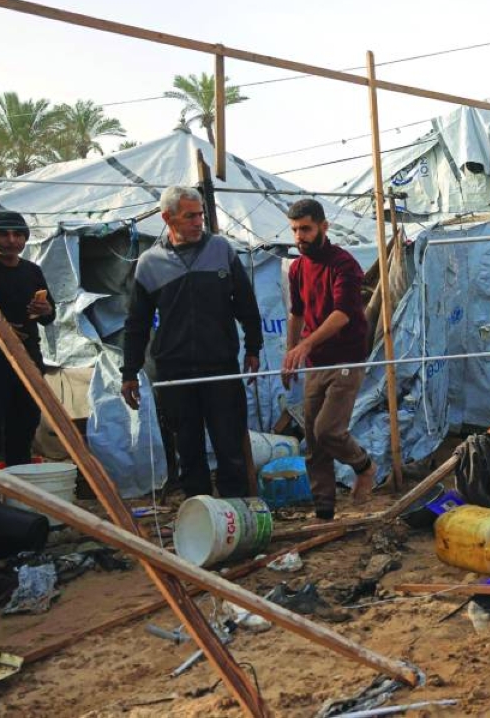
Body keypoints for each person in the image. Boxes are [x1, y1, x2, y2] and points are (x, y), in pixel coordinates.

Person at [122, 186, 262, 499]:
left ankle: (237, 513)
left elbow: (246, 303)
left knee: (230, 445)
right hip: (174, 370)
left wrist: (254, 347)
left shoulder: (221, 250)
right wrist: (129, 371)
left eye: (200, 214)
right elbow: (137, 324)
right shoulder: (149, 263)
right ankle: (200, 516)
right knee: (188, 448)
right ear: (167, 218)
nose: (199, 221)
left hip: (220, 364)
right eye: (190, 216)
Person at [281, 198, 375, 520]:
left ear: (324, 226)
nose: (299, 237)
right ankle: (324, 512)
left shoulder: (344, 264)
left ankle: (364, 465)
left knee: (327, 430)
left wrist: (304, 346)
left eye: (305, 229)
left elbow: (342, 315)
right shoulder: (296, 268)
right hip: (314, 363)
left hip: (346, 359)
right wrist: (290, 354)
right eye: (294, 230)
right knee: (313, 441)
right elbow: (296, 314)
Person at [0, 212, 55, 483]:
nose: (11, 240)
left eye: (18, 234)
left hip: (28, 358)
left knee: (25, 423)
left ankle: (22, 497)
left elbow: (49, 316)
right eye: (3, 234)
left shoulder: (32, 271)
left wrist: (45, 308)